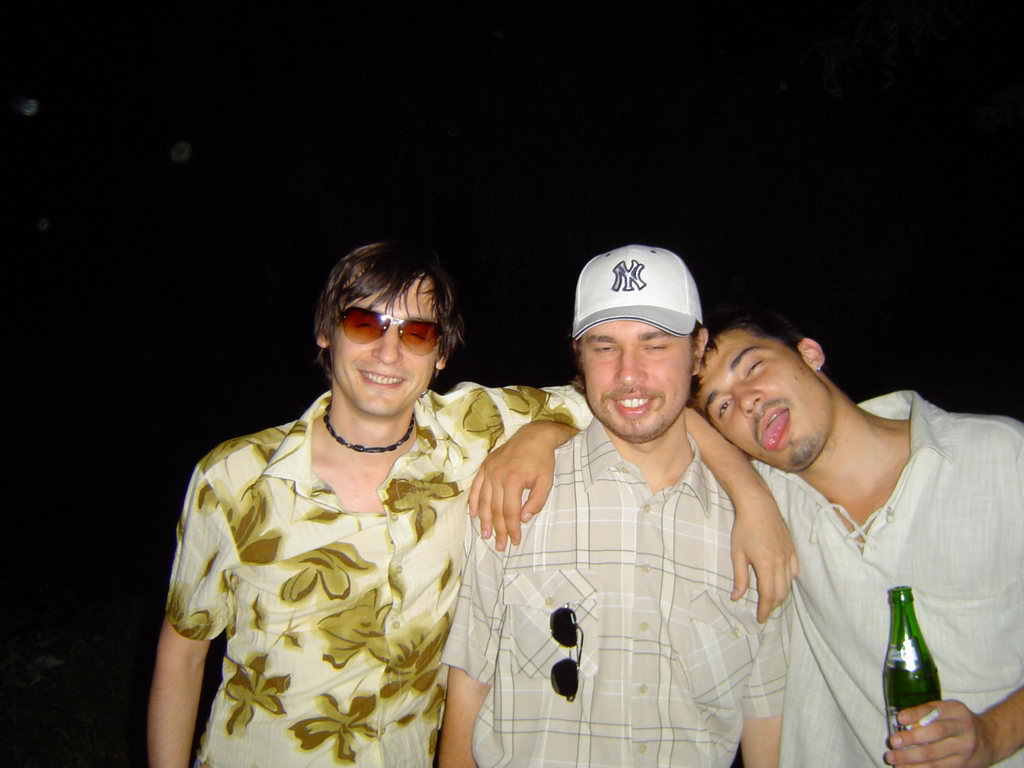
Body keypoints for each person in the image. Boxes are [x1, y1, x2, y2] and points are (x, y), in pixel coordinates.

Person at [146, 242, 591, 768]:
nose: (388, 351)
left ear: (441, 354)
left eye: (416, 333)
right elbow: (183, 654)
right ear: (326, 331)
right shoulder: (235, 477)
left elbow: (612, 401)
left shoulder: (471, 430)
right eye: (364, 323)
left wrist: (542, 434)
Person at [440, 246, 788, 768]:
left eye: (655, 345)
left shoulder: (754, 533)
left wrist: (753, 496)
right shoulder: (517, 494)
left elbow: (765, 720)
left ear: (698, 351)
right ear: (579, 355)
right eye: (605, 347)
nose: (629, 374)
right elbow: (469, 687)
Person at [695, 309, 1024, 768]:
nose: (746, 401)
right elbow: (634, 405)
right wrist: (750, 494)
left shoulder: (1001, 455)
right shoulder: (771, 511)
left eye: (752, 367)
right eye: (722, 407)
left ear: (809, 354)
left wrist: (992, 734)